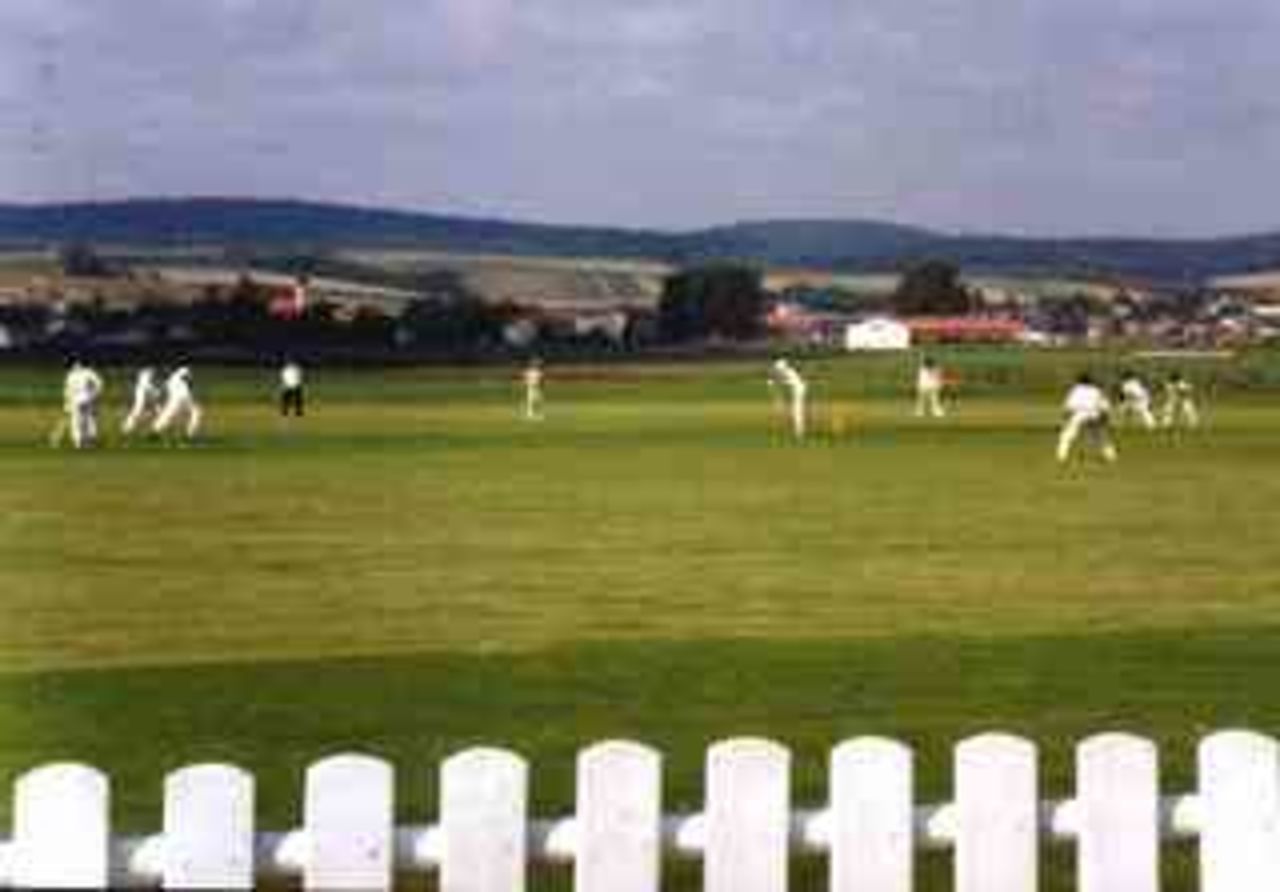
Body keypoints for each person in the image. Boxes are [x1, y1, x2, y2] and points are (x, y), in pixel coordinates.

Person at [1056, 373, 1117, 464]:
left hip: (1080, 413)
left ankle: (1061, 455)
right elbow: (1105, 405)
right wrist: (1105, 416)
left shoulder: (1076, 390)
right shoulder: (1096, 390)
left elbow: (1069, 406)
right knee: (1101, 436)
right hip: (1094, 413)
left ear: (1079, 381)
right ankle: (1111, 455)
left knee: (1067, 435)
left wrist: (1065, 418)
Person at [60, 358, 104, 449]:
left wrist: (67, 405)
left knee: (76, 421)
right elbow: (99, 383)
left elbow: (67, 392)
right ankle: (91, 439)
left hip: (76, 400)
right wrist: (94, 394)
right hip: (87, 398)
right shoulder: (88, 372)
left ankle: (78, 441)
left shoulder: (70, 376)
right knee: (89, 418)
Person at [152, 365, 202, 441]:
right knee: (196, 412)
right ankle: (189, 434)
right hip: (182, 398)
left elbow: (161, 392)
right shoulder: (181, 371)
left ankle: (155, 431)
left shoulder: (169, 381)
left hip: (178, 399)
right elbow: (189, 380)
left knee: (168, 415)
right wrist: (190, 385)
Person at [768, 358, 808, 440]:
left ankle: (799, 432)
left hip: (799, 390)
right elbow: (780, 378)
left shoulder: (789, 372)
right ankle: (798, 431)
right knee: (795, 411)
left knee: (796, 410)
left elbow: (783, 380)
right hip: (797, 389)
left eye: (778, 368)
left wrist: (773, 381)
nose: (777, 370)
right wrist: (773, 381)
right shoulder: (786, 371)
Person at [121, 366, 161, 435]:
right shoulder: (145, 373)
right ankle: (126, 428)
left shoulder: (148, 372)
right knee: (137, 410)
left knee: (156, 410)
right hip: (142, 391)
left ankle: (156, 428)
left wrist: (154, 391)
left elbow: (148, 384)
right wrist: (154, 391)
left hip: (146, 391)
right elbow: (144, 384)